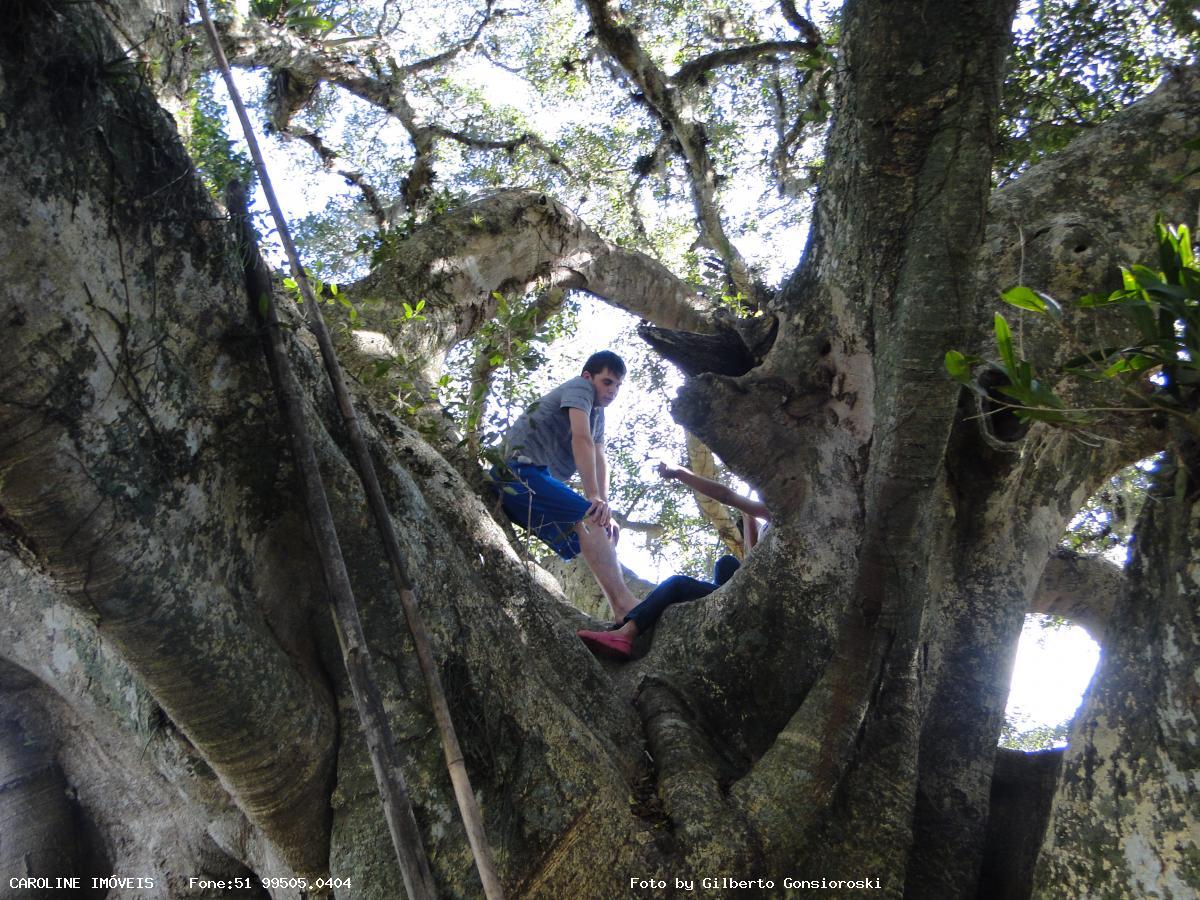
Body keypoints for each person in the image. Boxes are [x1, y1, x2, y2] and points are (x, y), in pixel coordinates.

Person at [492, 351, 641, 621]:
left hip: (530, 489)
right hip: (516, 473)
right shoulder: (580, 387)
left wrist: (604, 503)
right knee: (591, 516)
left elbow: (599, 457)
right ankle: (626, 607)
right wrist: (593, 497)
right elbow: (581, 439)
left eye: (618, 386)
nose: (613, 391)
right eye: (607, 382)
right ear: (589, 377)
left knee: (597, 523)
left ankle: (621, 614)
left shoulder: (598, 413)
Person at [576, 461, 769, 659]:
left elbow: (725, 496)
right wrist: (748, 515)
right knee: (726, 564)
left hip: (761, 603)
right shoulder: (769, 527)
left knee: (678, 584)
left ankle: (626, 634)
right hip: (746, 594)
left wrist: (679, 473)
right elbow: (751, 565)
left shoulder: (782, 513)